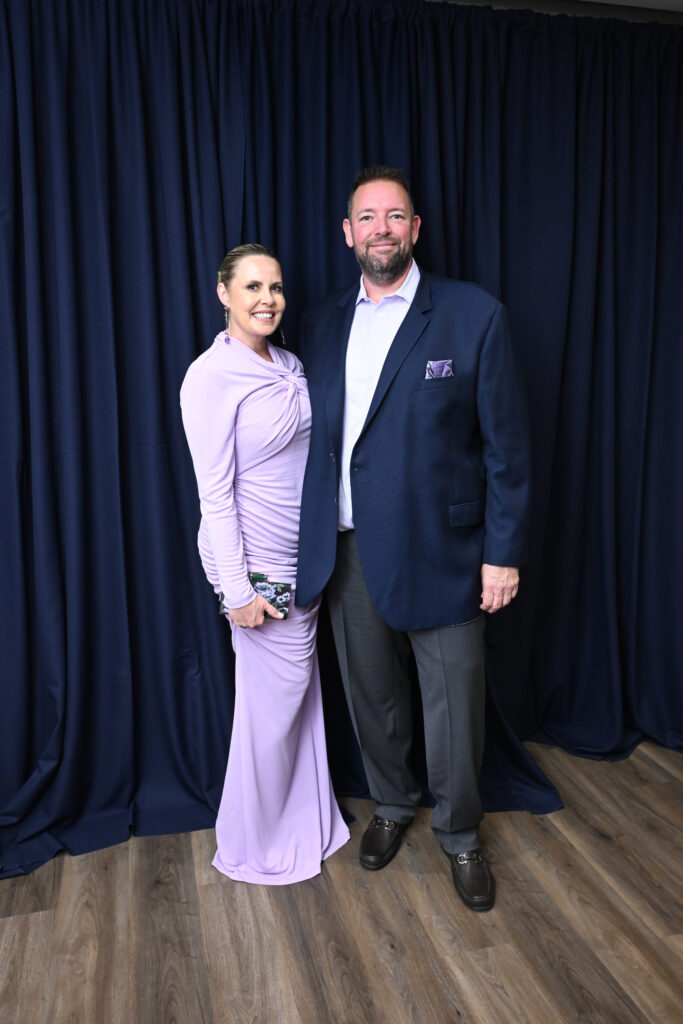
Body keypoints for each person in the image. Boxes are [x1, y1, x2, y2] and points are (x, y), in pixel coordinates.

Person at [295, 168, 531, 911]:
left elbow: (508, 452)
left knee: (452, 703)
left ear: (415, 229)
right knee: (373, 694)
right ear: (347, 233)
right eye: (367, 217)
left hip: (446, 551)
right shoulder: (322, 321)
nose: (381, 229)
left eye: (395, 216)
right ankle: (392, 806)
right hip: (350, 548)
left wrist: (502, 552)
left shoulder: (471, 314)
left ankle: (459, 835)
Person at [180, 243, 349, 885]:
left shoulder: (291, 362)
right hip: (253, 565)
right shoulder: (209, 378)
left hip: (301, 554)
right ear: (224, 293)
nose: (267, 300)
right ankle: (256, 841)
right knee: (272, 710)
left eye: (275, 287)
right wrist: (235, 591)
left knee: (297, 702)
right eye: (252, 287)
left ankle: (303, 823)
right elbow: (214, 496)